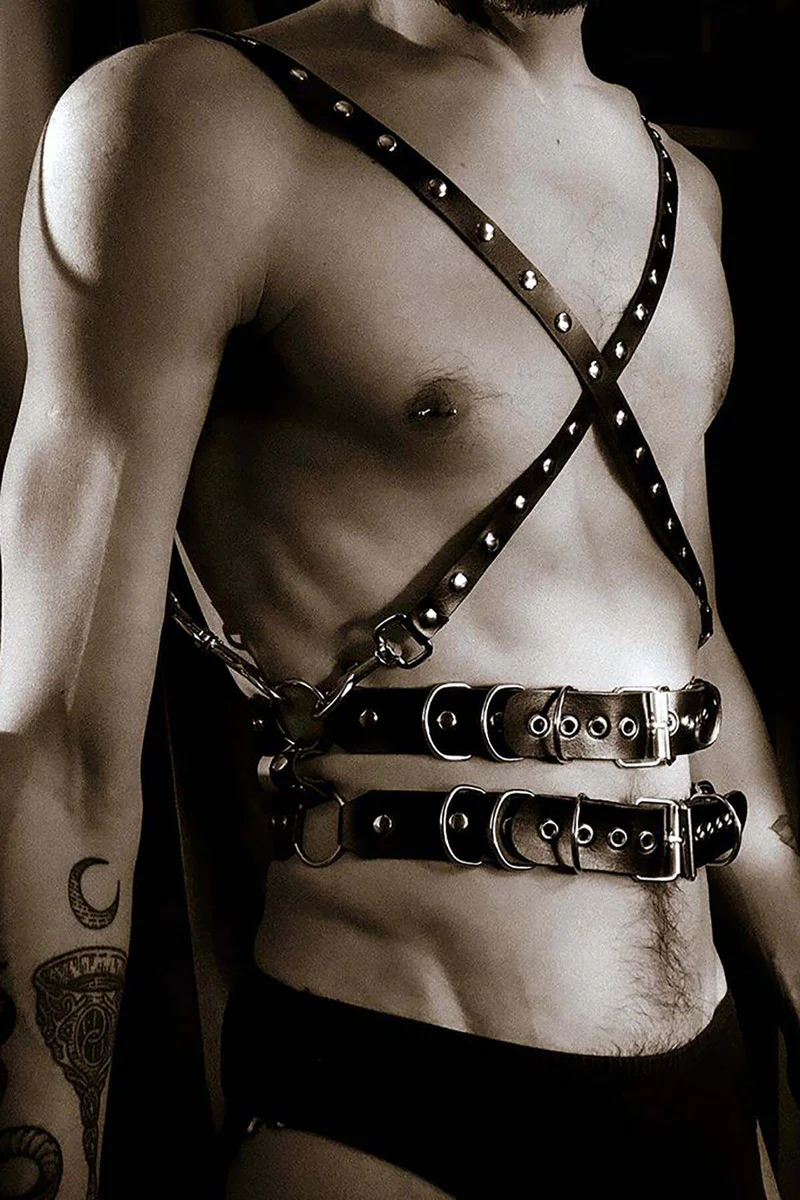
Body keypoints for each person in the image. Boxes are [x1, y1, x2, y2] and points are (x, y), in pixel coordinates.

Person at [0, 0, 796, 1196]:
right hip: (389, 1097)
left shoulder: (681, 186)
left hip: (704, 1083)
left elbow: (684, 641)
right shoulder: (196, 121)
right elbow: (62, 745)